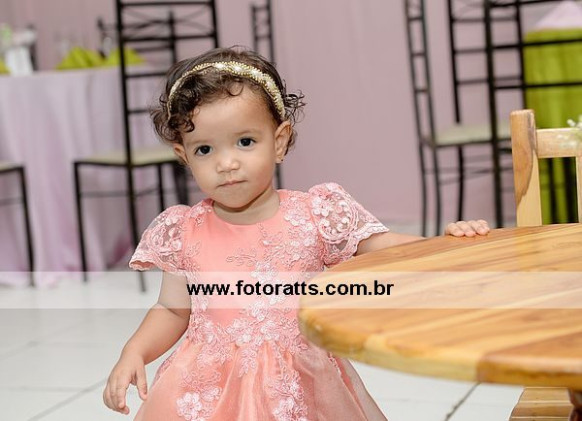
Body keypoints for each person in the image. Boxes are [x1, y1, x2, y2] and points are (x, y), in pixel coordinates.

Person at [103, 46, 490, 421]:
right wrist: (135, 351)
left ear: (280, 141)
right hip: (209, 390)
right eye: (205, 149)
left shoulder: (314, 214)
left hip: (302, 384)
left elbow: (385, 248)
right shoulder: (185, 232)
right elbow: (172, 309)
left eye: (245, 142)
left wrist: (445, 245)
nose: (226, 163)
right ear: (184, 156)